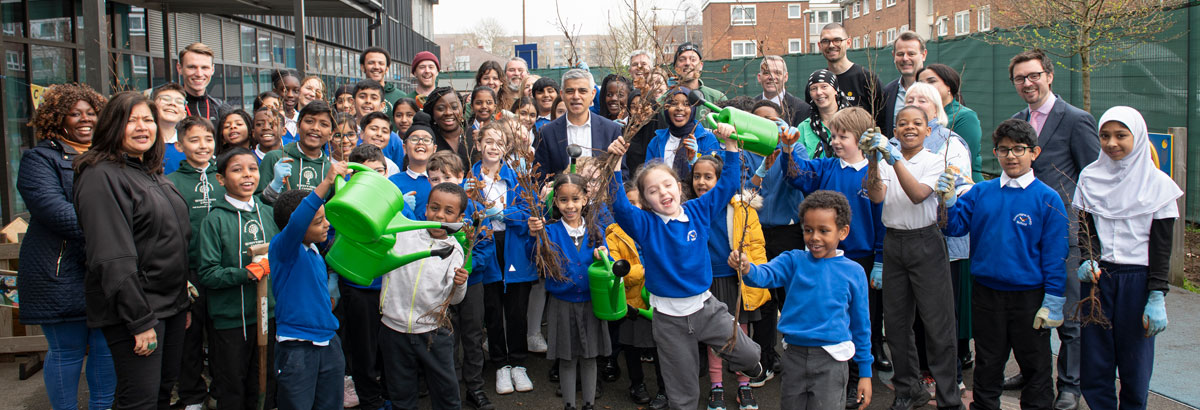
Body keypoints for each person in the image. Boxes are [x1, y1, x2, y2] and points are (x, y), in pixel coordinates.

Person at [605, 129, 765, 410]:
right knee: (683, 390)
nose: (663, 193)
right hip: (669, 320)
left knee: (749, 354)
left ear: (679, 186)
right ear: (645, 201)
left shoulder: (698, 211)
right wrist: (615, 163)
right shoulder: (645, 225)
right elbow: (619, 206)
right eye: (653, 191)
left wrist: (730, 145)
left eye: (667, 185)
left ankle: (751, 367)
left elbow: (727, 185)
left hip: (706, 308)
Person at [74, 91, 191, 410]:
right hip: (139, 310)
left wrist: (183, 301)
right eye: (132, 120)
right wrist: (139, 321)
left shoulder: (147, 171)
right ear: (113, 125)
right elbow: (112, 257)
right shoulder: (100, 176)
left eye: (149, 120)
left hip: (170, 306)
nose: (143, 127)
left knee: (162, 395)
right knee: (138, 400)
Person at [941, 118, 1068, 410]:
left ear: (1034, 153)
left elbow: (1055, 254)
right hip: (986, 293)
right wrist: (947, 203)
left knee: (1035, 365)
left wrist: (1054, 299)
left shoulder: (1047, 199)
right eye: (1003, 149)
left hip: (1030, 298)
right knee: (988, 361)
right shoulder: (981, 192)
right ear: (996, 152)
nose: (1010, 156)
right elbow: (955, 228)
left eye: (1019, 149)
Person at [1007, 49, 1100, 410]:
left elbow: (1093, 181)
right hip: (1026, 234)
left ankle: (1070, 386)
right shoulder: (1018, 120)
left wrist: (1090, 245)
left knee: (1069, 318)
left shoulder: (1076, 119)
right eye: (1020, 78)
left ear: (1049, 75)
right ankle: (1035, 375)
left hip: (1065, 236)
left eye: (1033, 75)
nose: (1027, 83)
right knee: (1033, 311)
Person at [777, 107, 886, 408]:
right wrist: (788, 150)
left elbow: (881, 220)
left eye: (843, 136)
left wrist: (879, 258)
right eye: (834, 135)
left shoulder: (873, 175)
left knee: (861, 321)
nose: (836, 141)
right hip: (825, 258)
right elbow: (797, 176)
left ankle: (855, 379)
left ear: (863, 139)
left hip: (860, 259)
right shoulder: (826, 167)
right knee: (831, 316)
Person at [1074, 106, 1179, 410]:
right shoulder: (1091, 177)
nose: (1111, 143)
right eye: (1104, 135)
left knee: (1135, 364)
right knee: (1095, 361)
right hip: (1098, 279)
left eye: (1121, 135)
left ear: (1139, 137)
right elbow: (1085, 229)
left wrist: (1157, 293)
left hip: (1138, 282)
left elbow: (1161, 246)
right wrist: (1086, 258)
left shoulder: (1158, 185)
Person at [19, 83, 114, 410]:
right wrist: (112, 233)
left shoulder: (111, 157)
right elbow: (54, 210)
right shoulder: (38, 159)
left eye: (91, 113)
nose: (84, 119)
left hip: (105, 270)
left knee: (106, 347)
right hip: (60, 271)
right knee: (67, 350)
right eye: (75, 114)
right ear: (57, 118)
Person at [733, 190, 874, 410]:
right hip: (794, 357)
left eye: (824, 230)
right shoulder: (793, 260)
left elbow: (861, 325)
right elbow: (764, 276)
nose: (814, 237)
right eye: (808, 230)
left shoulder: (854, 272)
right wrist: (747, 267)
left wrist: (865, 373)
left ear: (843, 232)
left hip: (833, 361)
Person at [862, 106, 963, 410]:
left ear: (928, 131)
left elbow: (918, 194)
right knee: (895, 323)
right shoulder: (886, 160)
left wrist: (893, 160)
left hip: (925, 242)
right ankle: (908, 389)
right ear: (893, 132)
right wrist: (873, 161)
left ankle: (949, 397)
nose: (909, 128)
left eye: (917, 123)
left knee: (938, 323)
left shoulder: (934, 161)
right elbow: (877, 196)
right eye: (902, 124)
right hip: (894, 242)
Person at [197, 147, 281, 410]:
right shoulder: (214, 220)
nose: (247, 175)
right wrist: (245, 273)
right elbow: (208, 273)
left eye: (252, 169)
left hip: (267, 317)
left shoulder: (268, 213)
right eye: (237, 170)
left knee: (265, 383)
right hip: (231, 321)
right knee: (233, 385)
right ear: (221, 179)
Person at [377, 182, 469, 410]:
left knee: (446, 394)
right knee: (401, 395)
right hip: (393, 330)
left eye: (449, 212)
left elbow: (455, 299)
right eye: (435, 208)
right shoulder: (402, 233)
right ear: (426, 208)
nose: (439, 215)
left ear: (460, 216)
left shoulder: (454, 250)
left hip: (433, 332)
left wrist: (460, 284)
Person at [268, 160, 350, 410]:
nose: (326, 225)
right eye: (318, 222)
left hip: (328, 341)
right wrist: (326, 182)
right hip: (297, 347)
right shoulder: (284, 249)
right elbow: (301, 218)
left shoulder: (314, 249)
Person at [526, 173, 610, 410]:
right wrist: (534, 236)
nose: (570, 205)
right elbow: (535, 259)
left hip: (591, 304)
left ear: (585, 199)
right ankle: (569, 405)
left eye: (575, 199)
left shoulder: (595, 230)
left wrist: (603, 256)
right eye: (563, 200)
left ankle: (589, 405)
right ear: (556, 202)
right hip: (562, 304)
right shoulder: (550, 232)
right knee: (567, 358)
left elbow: (609, 263)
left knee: (590, 357)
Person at [692, 154, 768, 410]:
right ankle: (717, 387)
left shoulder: (741, 209)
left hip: (736, 281)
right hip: (708, 281)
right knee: (716, 338)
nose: (701, 182)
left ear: (721, 179)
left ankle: (744, 385)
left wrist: (749, 265)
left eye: (708, 177)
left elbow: (756, 244)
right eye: (697, 176)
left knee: (739, 335)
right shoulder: (690, 209)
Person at [471, 121, 537, 395]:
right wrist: (477, 212)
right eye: (488, 142)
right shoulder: (471, 179)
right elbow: (463, 212)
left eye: (500, 143)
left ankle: (519, 363)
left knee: (517, 310)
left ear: (507, 147)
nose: (493, 147)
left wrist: (504, 214)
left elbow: (529, 212)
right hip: (486, 245)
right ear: (478, 145)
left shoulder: (517, 178)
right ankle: (500, 364)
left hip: (513, 247)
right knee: (493, 309)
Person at [426, 151, 496, 410]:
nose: (441, 182)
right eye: (434, 179)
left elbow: (485, 246)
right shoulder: (430, 212)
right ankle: (450, 385)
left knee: (473, 333)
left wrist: (467, 266)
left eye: (447, 177)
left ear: (461, 178)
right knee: (446, 335)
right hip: (438, 284)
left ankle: (475, 387)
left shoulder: (476, 210)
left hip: (471, 281)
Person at [165, 116, 221, 410]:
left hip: (223, 271)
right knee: (190, 337)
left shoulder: (224, 176)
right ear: (179, 145)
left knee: (221, 335)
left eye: (208, 139)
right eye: (194, 140)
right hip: (190, 272)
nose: (203, 146)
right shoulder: (170, 183)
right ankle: (192, 395)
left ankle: (221, 390)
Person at [605, 180, 669, 409]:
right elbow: (616, 269)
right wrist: (645, 269)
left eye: (638, 202)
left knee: (660, 346)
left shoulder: (656, 224)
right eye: (629, 202)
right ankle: (637, 384)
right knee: (631, 345)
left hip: (658, 299)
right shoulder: (613, 234)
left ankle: (664, 389)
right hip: (631, 299)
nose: (634, 207)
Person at [534, 69, 623, 181]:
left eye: (582, 91)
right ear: (562, 95)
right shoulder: (547, 133)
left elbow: (622, 174)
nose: (576, 96)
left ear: (592, 94)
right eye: (570, 91)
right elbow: (539, 178)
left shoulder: (611, 130)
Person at [646, 87, 722, 198]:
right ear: (666, 107)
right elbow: (648, 177)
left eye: (686, 104)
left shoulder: (707, 139)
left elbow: (717, 178)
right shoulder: (656, 142)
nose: (679, 108)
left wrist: (694, 161)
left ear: (693, 108)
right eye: (674, 103)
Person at [259, 101, 336, 201]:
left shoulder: (330, 170)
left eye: (324, 124)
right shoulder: (275, 158)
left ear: (331, 134)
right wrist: (274, 186)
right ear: (298, 126)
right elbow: (258, 204)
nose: (315, 128)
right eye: (309, 121)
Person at [917, 64, 981, 183]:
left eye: (931, 81)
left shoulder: (965, 117)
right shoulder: (920, 119)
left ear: (949, 86)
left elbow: (965, 157)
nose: (925, 87)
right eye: (920, 83)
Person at [818, 24, 883, 126]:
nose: (831, 45)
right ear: (819, 46)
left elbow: (881, 121)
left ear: (848, 42)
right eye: (826, 41)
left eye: (837, 40)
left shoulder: (867, 79)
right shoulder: (818, 83)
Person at [390, 112, 438, 219]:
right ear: (404, 147)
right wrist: (401, 207)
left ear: (434, 149)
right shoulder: (393, 182)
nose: (420, 143)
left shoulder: (441, 180)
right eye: (414, 139)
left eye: (426, 140)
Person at [799, 69, 848, 159]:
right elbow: (797, 164)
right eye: (814, 88)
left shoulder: (853, 122)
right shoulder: (804, 128)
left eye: (824, 86)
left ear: (835, 90)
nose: (819, 92)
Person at [177, 42, 226, 124]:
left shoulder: (221, 109)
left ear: (212, 69)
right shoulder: (168, 109)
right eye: (192, 67)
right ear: (179, 68)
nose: (199, 74)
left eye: (204, 67)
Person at [755, 55, 811, 126]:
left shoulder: (802, 109)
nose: (771, 77)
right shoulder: (750, 107)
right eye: (766, 73)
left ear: (785, 77)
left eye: (777, 73)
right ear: (759, 77)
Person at [673, 42, 725, 119]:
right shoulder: (664, 101)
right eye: (682, 60)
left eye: (693, 59)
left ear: (701, 65)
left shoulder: (717, 98)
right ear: (675, 67)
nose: (687, 63)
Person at [423, 87, 472, 167]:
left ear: (462, 109)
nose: (448, 113)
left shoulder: (474, 137)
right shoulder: (427, 140)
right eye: (441, 109)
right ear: (432, 113)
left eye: (454, 107)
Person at [153, 83, 189, 174]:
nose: (172, 103)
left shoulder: (189, 147)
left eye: (179, 102)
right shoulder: (142, 143)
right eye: (165, 99)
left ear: (184, 114)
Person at [360, 47, 409, 113]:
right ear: (362, 67)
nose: (376, 67)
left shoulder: (401, 97)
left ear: (387, 69)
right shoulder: (355, 95)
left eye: (381, 63)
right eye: (371, 63)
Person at [271, 69, 302, 137]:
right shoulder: (270, 121)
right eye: (285, 90)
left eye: (296, 91)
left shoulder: (302, 119)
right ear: (275, 92)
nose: (290, 95)